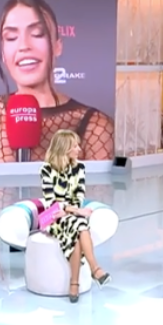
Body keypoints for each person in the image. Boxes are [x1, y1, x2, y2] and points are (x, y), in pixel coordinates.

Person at [0, 0, 115, 163]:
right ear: (3, 54)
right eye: (11, 38)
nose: (24, 46)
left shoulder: (95, 125)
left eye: (37, 34)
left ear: (57, 46)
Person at [40, 129, 111, 302]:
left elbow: (79, 196)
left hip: (71, 216)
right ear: (64, 148)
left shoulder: (80, 168)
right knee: (79, 224)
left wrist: (71, 210)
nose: (79, 149)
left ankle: (75, 283)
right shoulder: (47, 170)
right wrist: (75, 211)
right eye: (75, 146)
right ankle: (95, 270)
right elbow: (51, 202)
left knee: (77, 229)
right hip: (54, 218)